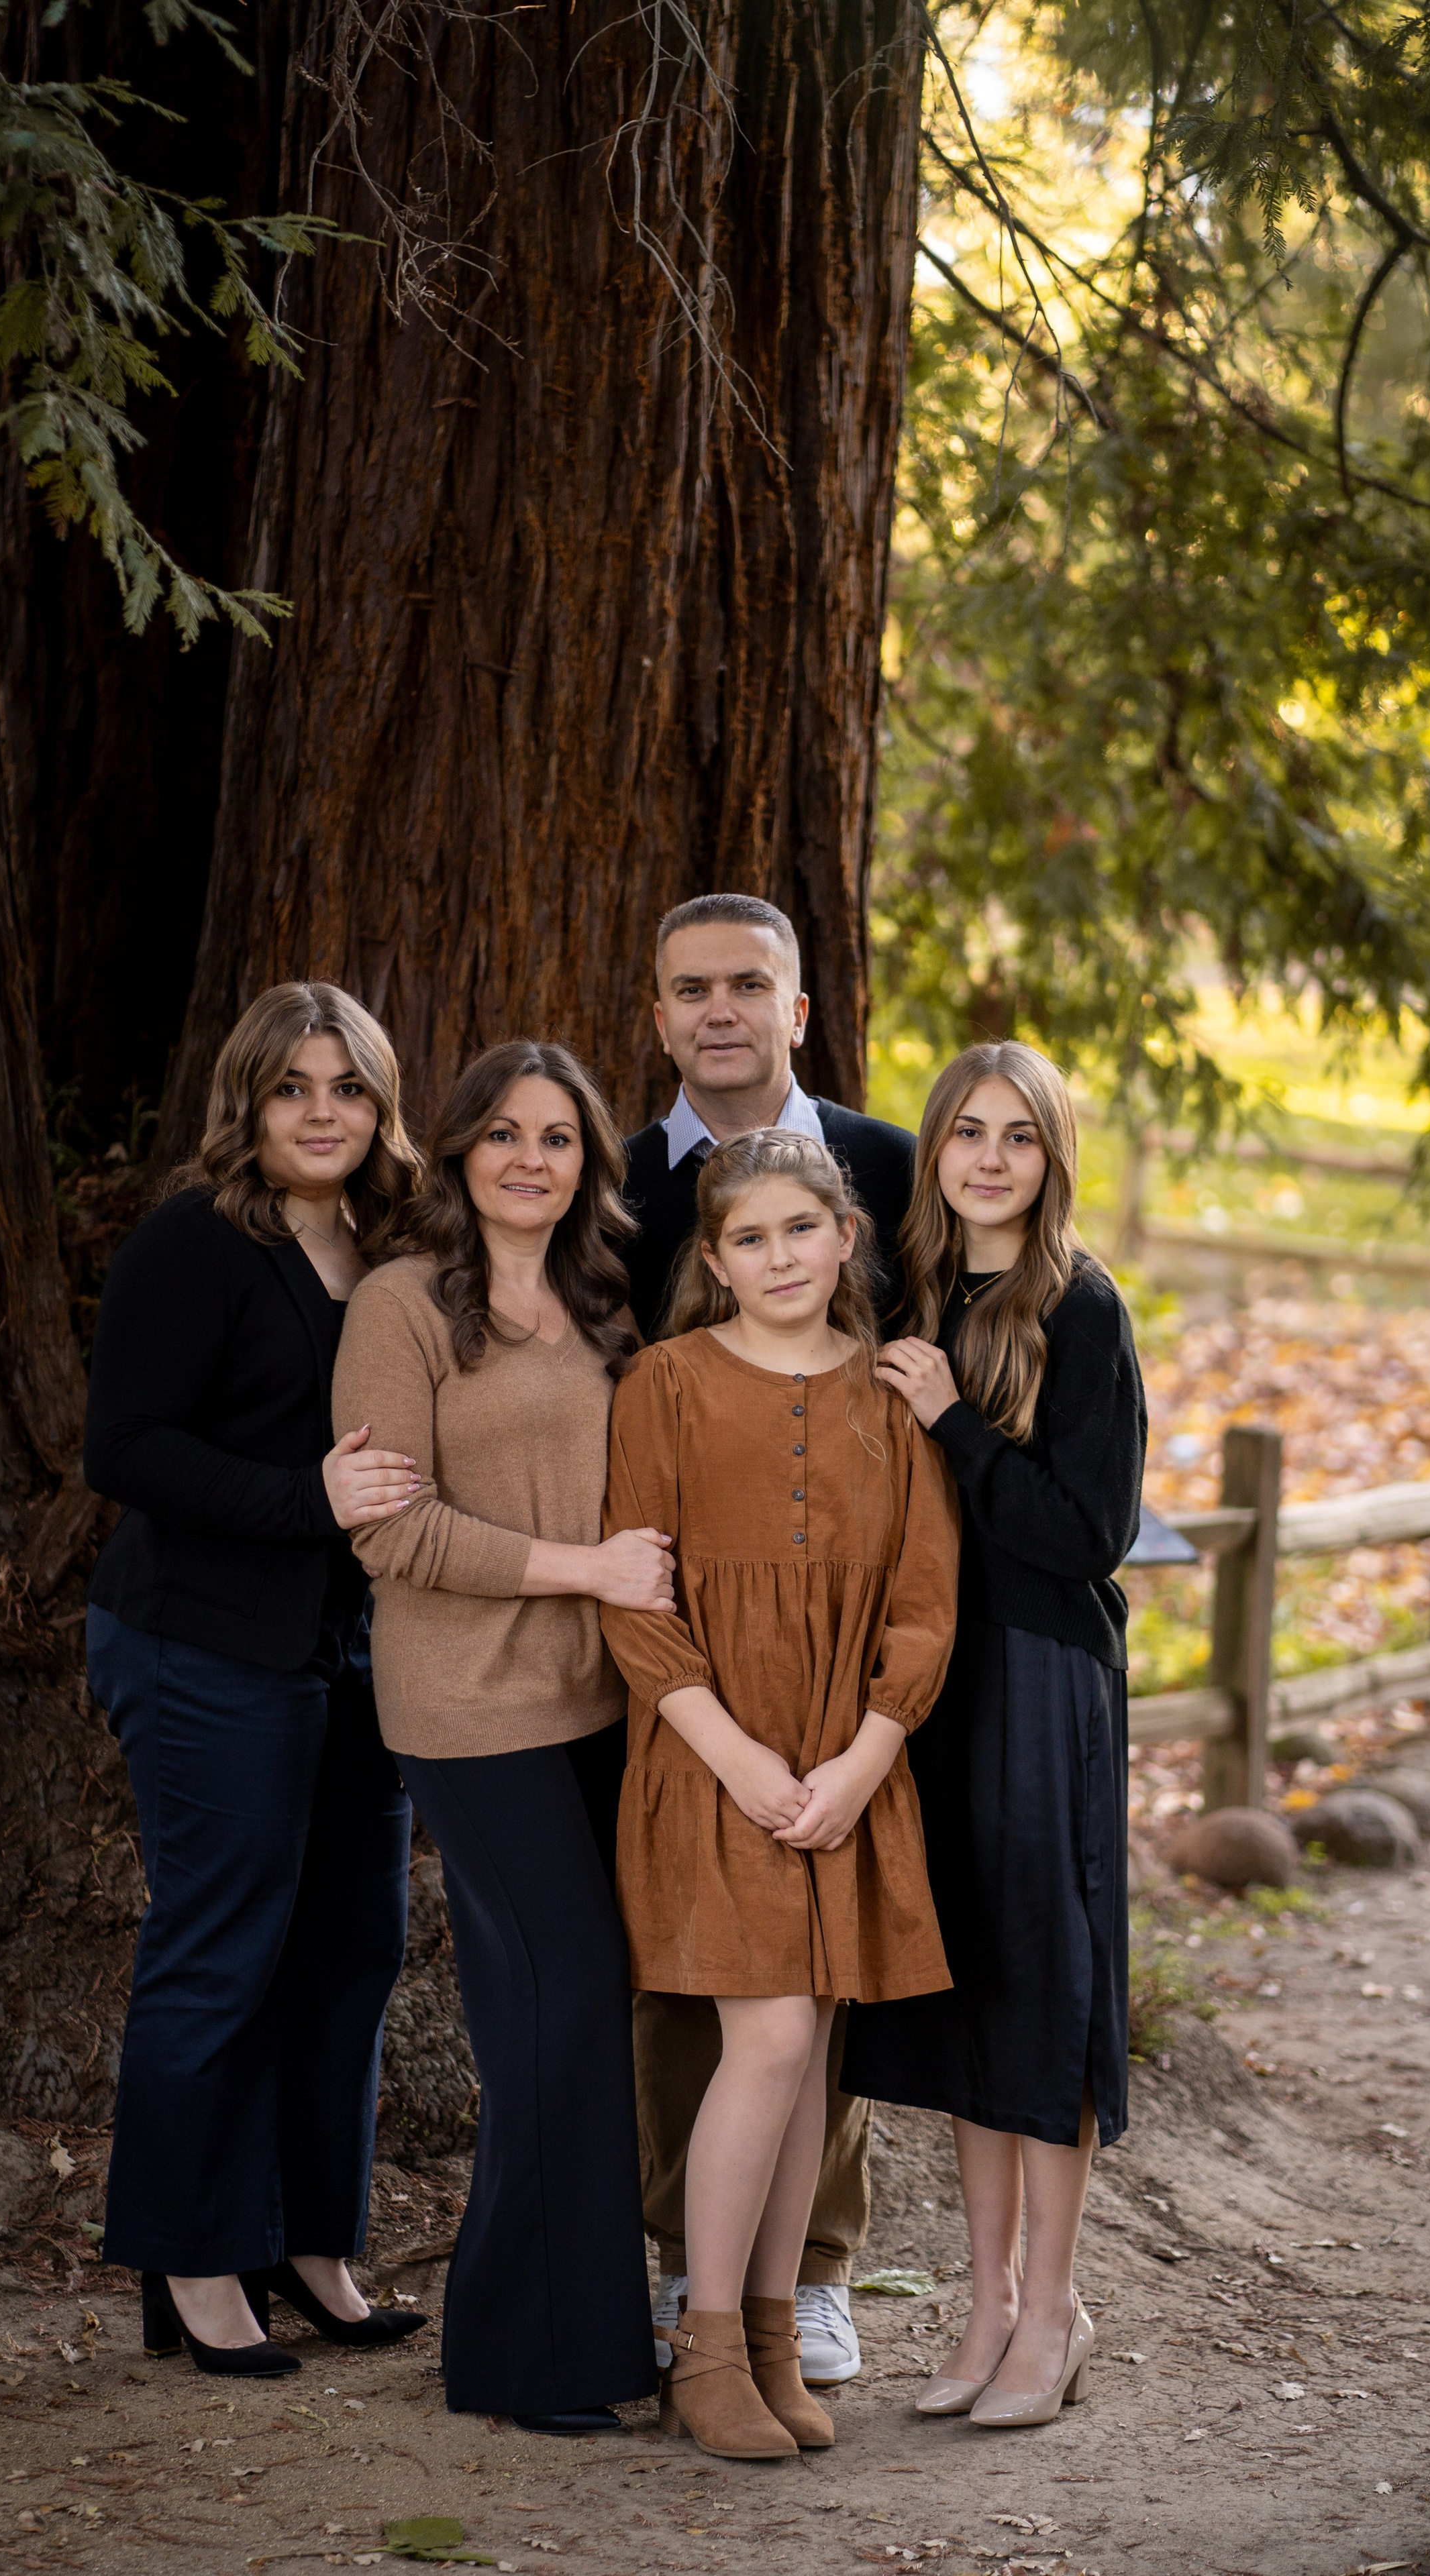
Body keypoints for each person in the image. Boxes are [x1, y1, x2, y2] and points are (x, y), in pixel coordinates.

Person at [83, 981, 428, 2376]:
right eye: (294, 1087)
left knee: (350, 1950)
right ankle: (189, 2259)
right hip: (202, 1639)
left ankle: (307, 2247)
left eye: (347, 1088)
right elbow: (126, 1450)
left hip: (350, 1652)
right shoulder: (193, 1242)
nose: (323, 1113)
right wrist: (312, 1498)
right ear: (249, 1100)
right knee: (220, 1950)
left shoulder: (382, 1243)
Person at [601, 1128, 960, 2459]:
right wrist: (742, 1759)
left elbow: (922, 1607)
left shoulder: (887, 1397)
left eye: (798, 1231)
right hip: (714, 1758)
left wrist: (862, 1762)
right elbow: (637, 1609)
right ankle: (701, 2347)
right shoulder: (664, 1383)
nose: (776, 1258)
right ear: (711, 1258)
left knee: (808, 2046)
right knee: (761, 2041)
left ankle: (766, 2330)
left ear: (844, 1238)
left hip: (846, 1764)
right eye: (746, 1239)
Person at [333, 1040, 664, 2436]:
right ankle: (525, 2358)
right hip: (469, 1710)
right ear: (458, 1149)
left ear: (588, 1160)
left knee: (579, 2018)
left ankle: (576, 2344)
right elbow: (386, 1526)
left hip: (603, 1702)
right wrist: (584, 1571)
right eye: (504, 1135)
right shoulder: (401, 1305)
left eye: (559, 1138)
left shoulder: (599, 1297)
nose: (532, 1159)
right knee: (562, 2004)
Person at [622, 891, 917, 2385]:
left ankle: (807, 2277)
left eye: (749, 984)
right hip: (680, 1645)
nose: (719, 1009)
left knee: (819, 1985)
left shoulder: (883, 1164)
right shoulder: (620, 1186)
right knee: (697, 1972)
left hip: (851, 1634)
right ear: (660, 1013)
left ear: (798, 1008)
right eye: (690, 988)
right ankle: (697, 2278)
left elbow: (910, 1380)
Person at [841, 1040, 1146, 2430]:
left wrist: (953, 1423)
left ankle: (1055, 2306)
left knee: (1041, 1989)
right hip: (925, 1678)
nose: (985, 1158)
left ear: (1050, 1157)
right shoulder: (904, 1293)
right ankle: (979, 2313)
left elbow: (1084, 1535)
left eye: (1017, 1137)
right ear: (935, 1147)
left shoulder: (1078, 1310)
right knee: (961, 1994)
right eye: (964, 1130)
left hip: (1037, 1676)